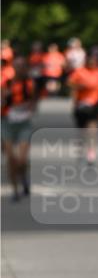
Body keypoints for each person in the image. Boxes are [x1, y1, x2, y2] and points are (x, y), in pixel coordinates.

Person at [1, 56, 38, 201]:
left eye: (22, 66)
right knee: (11, 158)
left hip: (24, 124)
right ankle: (15, 190)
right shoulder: (6, 83)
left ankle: (23, 179)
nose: (19, 69)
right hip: (7, 123)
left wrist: (28, 109)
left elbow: (33, 101)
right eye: (17, 66)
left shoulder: (29, 84)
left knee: (22, 160)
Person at [68, 51, 98, 162]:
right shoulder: (79, 72)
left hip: (94, 105)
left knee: (93, 129)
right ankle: (81, 147)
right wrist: (80, 86)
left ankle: (91, 151)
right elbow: (70, 83)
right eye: (89, 61)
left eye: (94, 61)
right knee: (82, 130)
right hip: (80, 105)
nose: (91, 63)